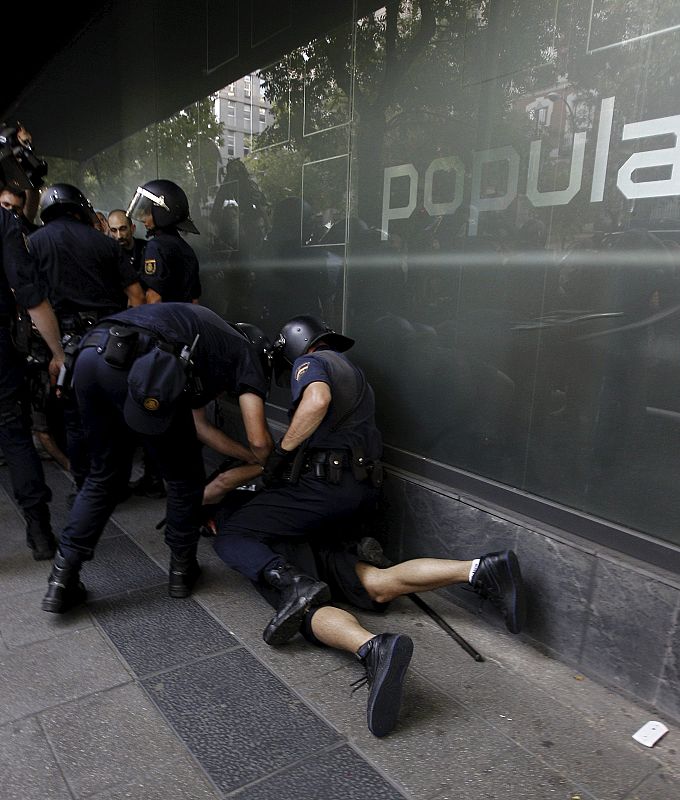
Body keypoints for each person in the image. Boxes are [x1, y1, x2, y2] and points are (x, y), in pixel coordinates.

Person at [210, 314, 527, 737]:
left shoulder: (313, 363)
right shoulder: (353, 371)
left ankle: (370, 647)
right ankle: (479, 569)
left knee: (272, 574)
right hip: (350, 498)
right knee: (375, 582)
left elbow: (316, 400)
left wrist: (282, 453)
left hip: (321, 496)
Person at [41, 302, 273, 614]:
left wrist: (244, 456)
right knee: (183, 478)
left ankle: (61, 579)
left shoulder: (202, 337)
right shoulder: (247, 353)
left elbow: (200, 427)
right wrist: (264, 460)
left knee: (103, 476)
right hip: (144, 359)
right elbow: (260, 440)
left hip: (89, 355)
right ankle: (181, 571)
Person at [29, 183, 145, 493]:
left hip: (64, 343)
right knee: (114, 414)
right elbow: (136, 295)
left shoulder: (34, 243)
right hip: (109, 338)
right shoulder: (105, 243)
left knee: (74, 417)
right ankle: (117, 483)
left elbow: (28, 299)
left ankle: (85, 485)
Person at [0, 130, 65, 560]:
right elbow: (33, 297)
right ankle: (40, 531)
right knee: (15, 434)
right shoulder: (4, 225)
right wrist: (57, 352)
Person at [127, 179, 201, 304]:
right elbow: (195, 300)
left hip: (164, 320)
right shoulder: (187, 249)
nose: (144, 218)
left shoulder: (156, 247)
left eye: (147, 212)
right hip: (184, 320)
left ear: (162, 212)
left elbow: (154, 297)